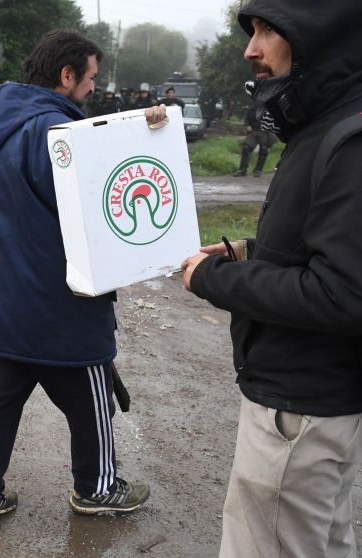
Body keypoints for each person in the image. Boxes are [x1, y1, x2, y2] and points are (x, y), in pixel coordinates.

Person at [0, 28, 159, 530]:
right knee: (90, 395)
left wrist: (138, 124)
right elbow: (96, 216)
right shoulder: (60, 135)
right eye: (90, 78)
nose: (93, 89)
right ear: (66, 75)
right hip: (58, 301)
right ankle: (98, 488)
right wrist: (148, 137)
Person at [180, 0, 362, 556]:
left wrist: (212, 279)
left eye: (266, 31)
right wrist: (247, 252)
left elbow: (342, 293)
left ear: (316, 37)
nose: (249, 49)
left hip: (300, 411)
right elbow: (326, 245)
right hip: (311, 406)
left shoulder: (349, 137)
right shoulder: (324, 122)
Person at [233, 82, 277, 177]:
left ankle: (258, 170)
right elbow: (247, 115)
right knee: (246, 148)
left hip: (265, 132)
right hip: (253, 130)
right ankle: (242, 170)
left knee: (264, 150)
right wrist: (247, 125)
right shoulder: (254, 105)